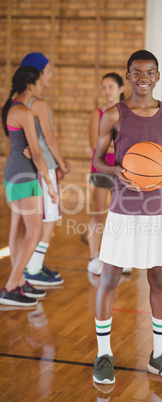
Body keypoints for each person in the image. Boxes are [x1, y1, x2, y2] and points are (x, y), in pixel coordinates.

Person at [92, 50, 162, 385]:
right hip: (123, 208)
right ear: (128, 75)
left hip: (157, 209)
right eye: (136, 73)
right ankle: (103, 354)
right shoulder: (113, 115)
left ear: (157, 76)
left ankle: (158, 355)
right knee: (109, 279)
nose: (143, 78)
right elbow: (98, 160)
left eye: (149, 73)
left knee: (160, 279)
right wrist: (116, 169)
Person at [0, 66, 58, 306]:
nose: (43, 87)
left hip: (14, 172)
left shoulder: (10, 107)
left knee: (25, 231)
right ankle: (11, 286)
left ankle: (19, 281)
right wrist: (50, 185)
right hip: (24, 175)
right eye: (40, 84)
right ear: (31, 86)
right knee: (34, 232)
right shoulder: (23, 111)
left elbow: (22, 146)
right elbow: (36, 151)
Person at [20, 52, 71, 286]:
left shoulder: (17, 100)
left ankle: (34, 265)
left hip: (29, 167)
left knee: (36, 219)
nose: (50, 75)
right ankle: (33, 268)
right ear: (37, 73)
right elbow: (49, 139)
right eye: (48, 71)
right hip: (43, 166)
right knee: (50, 217)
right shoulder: (38, 102)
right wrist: (61, 163)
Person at [87, 72, 127, 275]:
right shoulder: (98, 113)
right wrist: (121, 146)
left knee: (121, 214)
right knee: (98, 213)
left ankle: (119, 258)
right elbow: (96, 145)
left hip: (123, 169)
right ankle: (94, 257)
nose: (106, 91)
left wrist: (113, 146)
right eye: (104, 87)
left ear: (121, 88)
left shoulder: (128, 112)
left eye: (110, 87)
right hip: (101, 168)